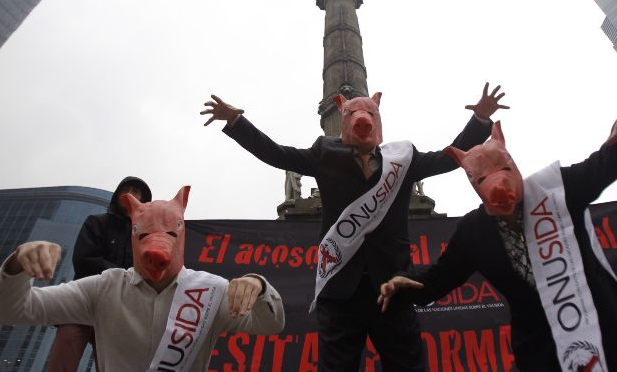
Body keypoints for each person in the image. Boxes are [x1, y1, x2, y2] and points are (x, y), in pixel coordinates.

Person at [200, 82, 508, 372]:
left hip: (393, 287)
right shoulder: (324, 154)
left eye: (370, 113)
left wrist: (480, 119)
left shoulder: (403, 160)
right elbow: (276, 154)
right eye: (353, 114)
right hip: (340, 292)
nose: (363, 121)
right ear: (343, 116)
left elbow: (450, 157)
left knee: (407, 365)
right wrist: (236, 122)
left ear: (378, 117)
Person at [378, 104, 617, 372]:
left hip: (610, 332)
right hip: (543, 350)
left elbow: (603, 165)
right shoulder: (474, 232)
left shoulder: (555, 190)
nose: (498, 185)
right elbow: (438, 280)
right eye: (482, 179)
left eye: (504, 169)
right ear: (472, 181)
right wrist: (401, 286)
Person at [0, 186, 285, 372]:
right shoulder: (103, 287)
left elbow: (270, 325)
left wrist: (259, 286)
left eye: (170, 234)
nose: (156, 246)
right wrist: (17, 266)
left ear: (181, 235)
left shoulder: (212, 291)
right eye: (143, 235)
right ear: (133, 235)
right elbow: (6, 311)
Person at [46, 175, 152, 372]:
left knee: (115, 367)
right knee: (62, 362)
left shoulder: (144, 238)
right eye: (126, 189)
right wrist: (122, 277)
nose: (130, 194)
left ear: (144, 201)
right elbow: (84, 260)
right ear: (117, 195)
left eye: (136, 192)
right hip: (82, 302)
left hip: (117, 310)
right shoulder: (96, 222)